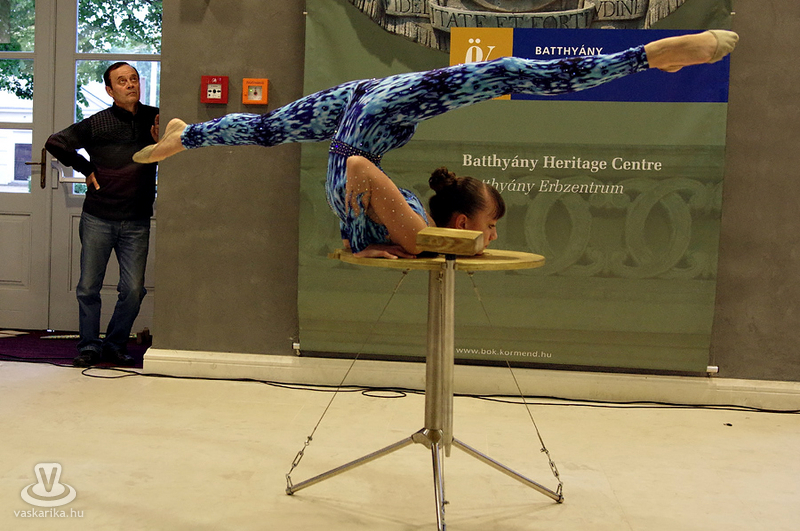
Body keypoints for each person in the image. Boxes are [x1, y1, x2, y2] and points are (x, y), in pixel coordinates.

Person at [135, 30, 737, 258]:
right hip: (376, 118)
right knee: (504, 72)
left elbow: (355, 206)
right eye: (489, 227)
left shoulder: (403, 230)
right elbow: (360, 189)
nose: (489, 234)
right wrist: (365, 236)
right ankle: (649, 56)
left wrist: (359, 241)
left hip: (372, 117)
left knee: (273, 128)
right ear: (457, 220)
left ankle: (190, 136)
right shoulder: (415, 232)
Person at [46, 62, 159, 367]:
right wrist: (86, 168)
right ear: (110, 90)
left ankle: (115, 344)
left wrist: (160, 139)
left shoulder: (154, 118)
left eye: (134, 79)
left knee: (133, 289)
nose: (130, 85)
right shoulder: (98, 123)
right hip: (98, 217)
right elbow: (55, 142)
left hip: (136, 219)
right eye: (122, 81)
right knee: (88, 287)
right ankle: (89, 347)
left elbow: (176, 143)